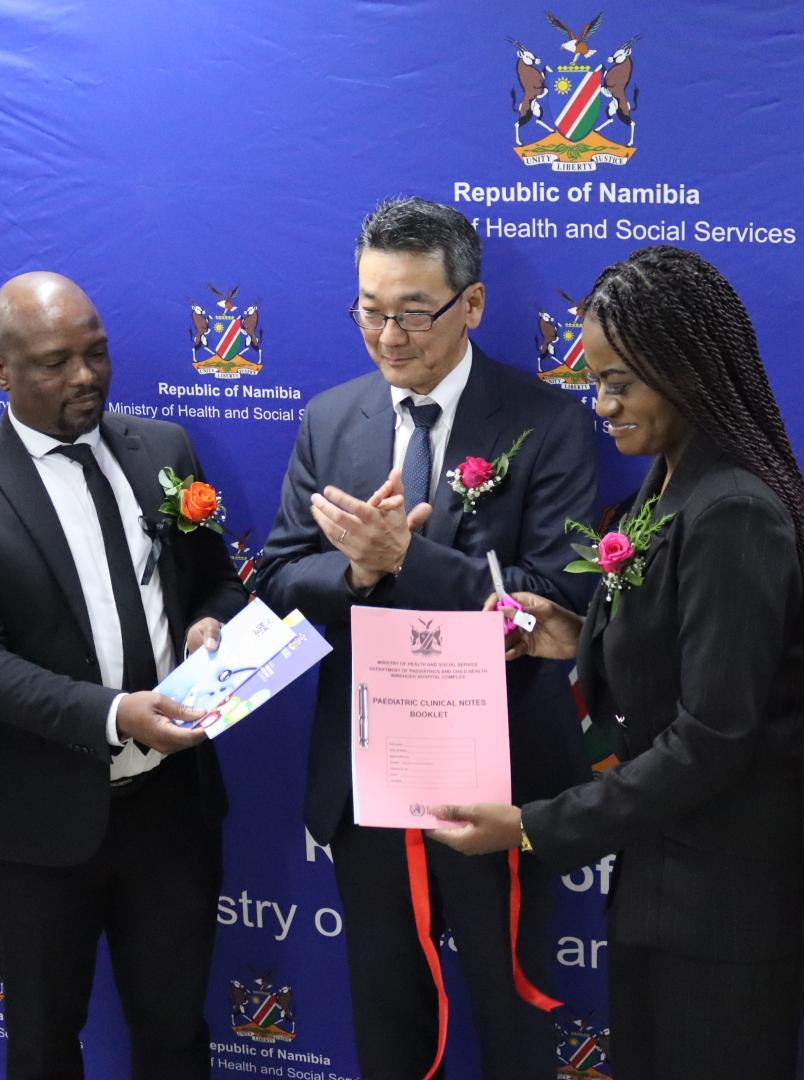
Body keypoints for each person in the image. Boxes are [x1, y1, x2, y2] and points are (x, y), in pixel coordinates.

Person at [431, 247, 804, 1078]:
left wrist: (530, 826)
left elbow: (712, 737)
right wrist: (574, 634)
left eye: (620, 383)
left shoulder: (733, 508)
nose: (601, 405)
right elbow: (675, 644)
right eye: (594, 381)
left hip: (725, 910)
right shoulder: (670, 482)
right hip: (665, 885)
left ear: (687, 373)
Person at [255, 196, 598, 1078]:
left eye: (413, 312)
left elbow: (559, 602)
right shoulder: (331, 419)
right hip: (370, 774)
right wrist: (358, 576)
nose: (388, 336)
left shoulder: (548, 423)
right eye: (370, 310)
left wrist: (407, 557)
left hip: (501, 776)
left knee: (511, 1014)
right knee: (386, 1015)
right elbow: (279, 579)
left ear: (471, 304)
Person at [0, 271, 247, 1080]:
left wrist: (211, 624)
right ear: (0, 372)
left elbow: (218, 582)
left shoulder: (163, 449)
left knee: (175, 1035)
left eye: (96, 353)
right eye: (56, 363)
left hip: (171, 807)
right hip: (37, 817)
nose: (86, 376)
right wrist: (115, 713)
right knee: (43, 1045)